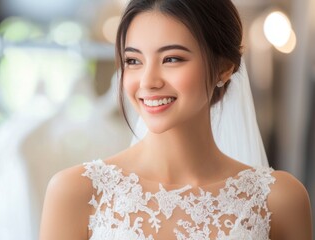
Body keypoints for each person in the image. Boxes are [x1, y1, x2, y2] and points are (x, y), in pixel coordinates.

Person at [39, 0, 313, 239]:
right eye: (133, 61)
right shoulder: (77, 193)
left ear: (224, 68)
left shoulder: (279, 201)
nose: (148, 81)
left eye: (171, 58)